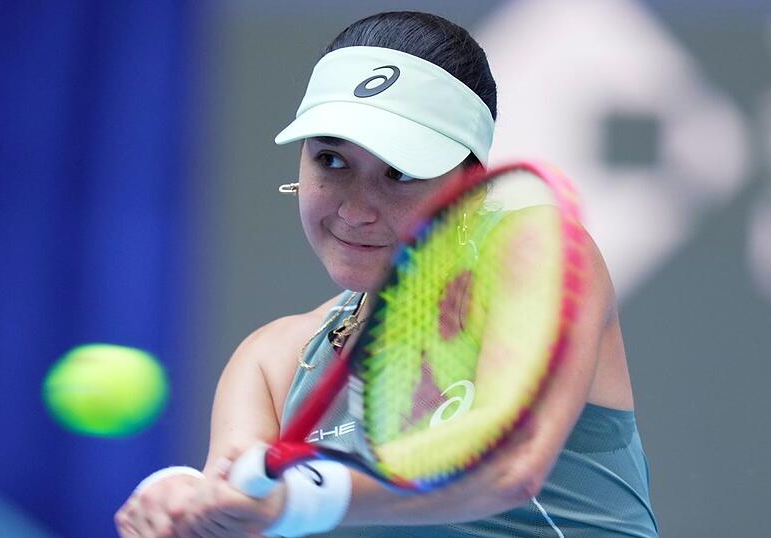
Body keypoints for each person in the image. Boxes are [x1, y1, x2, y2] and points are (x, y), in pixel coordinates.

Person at [116, 10, 659, 537]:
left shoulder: (540, 253)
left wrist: (304, 496)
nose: (356, 208)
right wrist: (182, 502)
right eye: (331, 160)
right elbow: (234, 511)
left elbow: (511, 465)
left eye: (399, 172)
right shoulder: (270, 362)